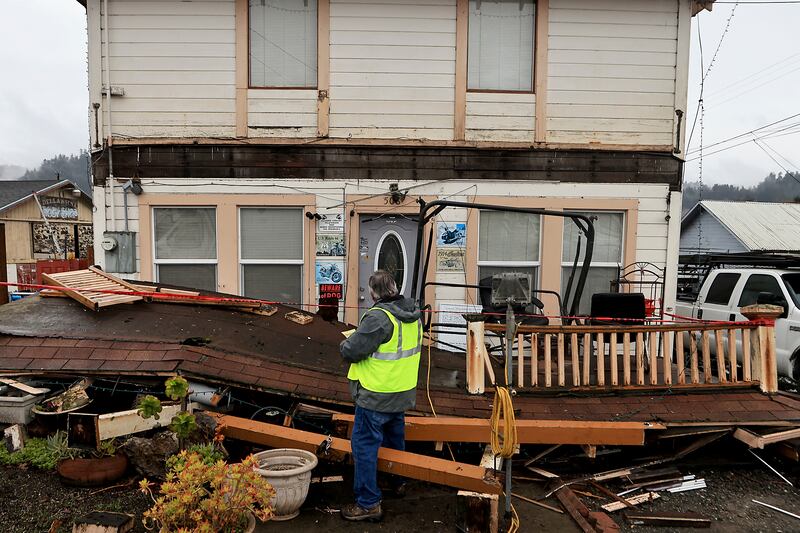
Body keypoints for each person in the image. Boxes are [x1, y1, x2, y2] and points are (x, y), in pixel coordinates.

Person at [339, 270, 423, 522]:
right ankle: (395, 481)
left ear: (373, 293)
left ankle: (368, 503)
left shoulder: (378, 318)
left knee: (364, 448)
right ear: (395, 288)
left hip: (376, 395)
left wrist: (346, 343)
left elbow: (351, 351)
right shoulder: (413, 315)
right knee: (394, 441)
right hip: (400, 392)